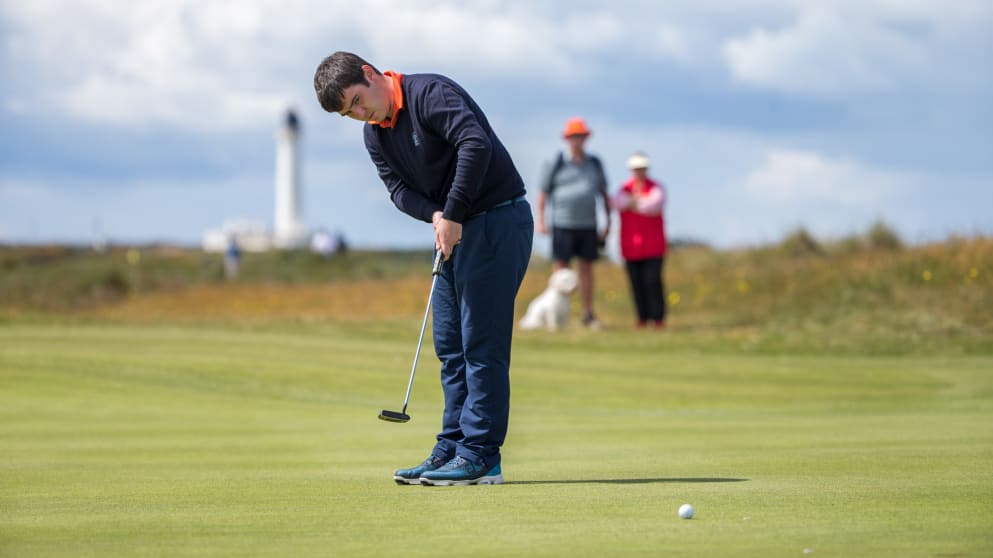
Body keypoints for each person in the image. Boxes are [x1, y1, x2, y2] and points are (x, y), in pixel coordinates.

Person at [313, 52, 533, 486]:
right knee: (450, 346)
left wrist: (451, 212)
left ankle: (482, 455)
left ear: (371, 75)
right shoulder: (375, 135)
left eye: (358, 101)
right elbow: (397, 190)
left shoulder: (429, 93)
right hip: (453, 229)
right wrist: (436, 215)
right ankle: (452, 445)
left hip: (496, 219)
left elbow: (475, 143)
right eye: (349, 113)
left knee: (480, 345)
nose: (360, 114)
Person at [536, 117, 610, 329]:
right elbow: (543, 193)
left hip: (588, 223)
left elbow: (603, 194)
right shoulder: (555, 162)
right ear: (567, 139)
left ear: (586, 138)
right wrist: (541, 221)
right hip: (562, 222)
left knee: (586, 268)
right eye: (573, 137)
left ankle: (588, 314)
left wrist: (608, 223)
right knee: (561, 270)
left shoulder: (594, 163)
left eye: (581, 136)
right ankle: (558, 315)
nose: (577, 140)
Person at [610, 152, 668, 329]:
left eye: (642, 168)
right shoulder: (624, 188)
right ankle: (642, 318)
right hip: (630, 246)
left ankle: (658, 319)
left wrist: (633, 202)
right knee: (636, 283)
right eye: (636, 169)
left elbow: (653, 205)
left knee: (653, 281)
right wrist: (637, 202)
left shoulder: (656, 187)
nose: (639, 172)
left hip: (653, 245)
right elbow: (616, 202)